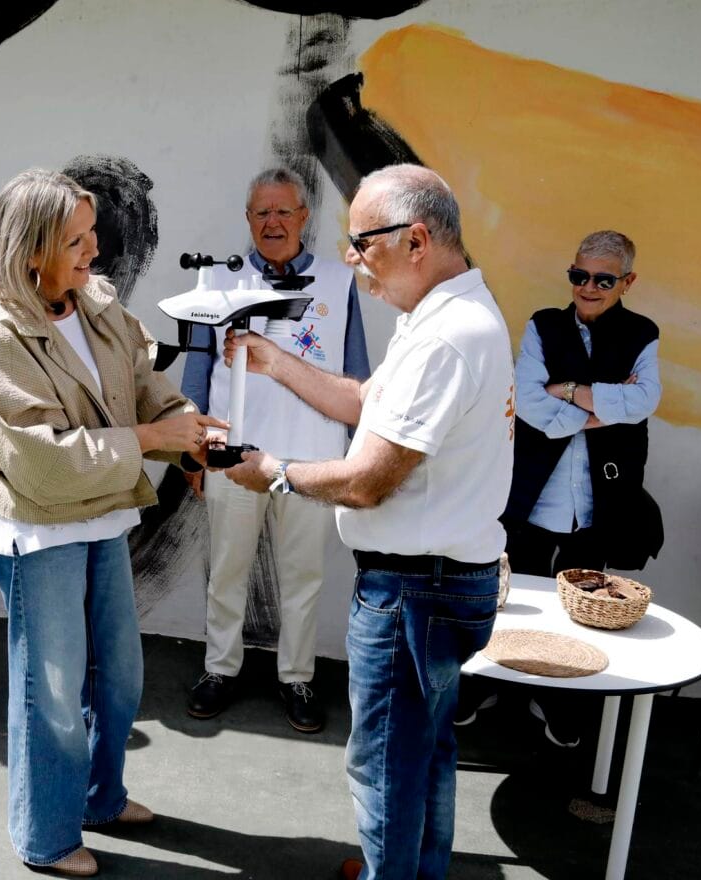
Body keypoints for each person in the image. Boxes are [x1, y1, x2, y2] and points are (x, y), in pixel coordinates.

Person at [221, 164, 515, 880]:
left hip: (416, 591)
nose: (351, 260)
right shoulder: (441, 320)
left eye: (363, 243)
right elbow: (362, 402)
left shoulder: (448, 338)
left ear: (416, 240)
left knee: (385, 766)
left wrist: (275, 472)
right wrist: (275, 361)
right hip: (441, 585)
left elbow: (368, 480)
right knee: (426, 753)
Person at [0, 168, 226, 877]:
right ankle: (45, 835)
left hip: (103, 520)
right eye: (74, 239)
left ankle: (101, 798)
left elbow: (144, 381)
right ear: (31, 251)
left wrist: (183, 424)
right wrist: (148, 441)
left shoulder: (97, 302)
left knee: (118, 677)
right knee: (50, 692)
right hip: (41, 534)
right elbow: (41, 464)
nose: (93, 250)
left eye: (91, 233)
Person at [180, 167, 370, 733]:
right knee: (228, 569)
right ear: (248, 219)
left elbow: (356, 376)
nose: (273, 222)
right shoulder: (219, 282)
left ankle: (297, 677)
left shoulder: (339, 283)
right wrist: (194, 451)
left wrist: (355, 458)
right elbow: (196, 373)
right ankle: (219, 669)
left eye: (284, 211)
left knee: (303, 574)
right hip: (235, 458)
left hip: (312, 460)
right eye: (262, 212)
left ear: (304, 218)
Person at [465, 230, 662, 746]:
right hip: (532, 492)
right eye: (580, 275)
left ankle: (558, 701)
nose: (589, 287)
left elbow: (643, 401)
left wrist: (567, 391)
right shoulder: (542, 326)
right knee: (508, 597)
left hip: (601, 498)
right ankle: (485, 688)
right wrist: (600, 410)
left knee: (581, 610)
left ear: (627, 282)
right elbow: (529, 405)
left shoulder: (642, 333)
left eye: (603, 278)